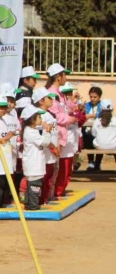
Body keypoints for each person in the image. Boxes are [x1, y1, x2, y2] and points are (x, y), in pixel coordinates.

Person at [45, 64, 77, 198]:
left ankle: (52, 194)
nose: (66, 77)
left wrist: (72, 103)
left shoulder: (59, 94)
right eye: (64, 75)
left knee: (57, 168)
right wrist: (70, 119)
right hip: (54, 135)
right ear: (58, 77)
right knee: (51, 168)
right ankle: (48, 195)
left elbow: (64, 110)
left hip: (61, 135)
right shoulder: (51, 94)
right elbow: (55, 116)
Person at [32, 87, 60, 203]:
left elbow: (54, 133)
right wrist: (53, 148)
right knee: (42, 177)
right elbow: (40, 136)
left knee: (49, 177)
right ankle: (39, 199)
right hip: (45, 152)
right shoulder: (38, 116)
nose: (51, 100)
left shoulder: (49, 115)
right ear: (41, 101)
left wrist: (57, 147)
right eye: (49, 98)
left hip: (52, 152)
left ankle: (45, 198)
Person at [21, 105, 51, 211]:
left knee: (31, 185)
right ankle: (33, 205)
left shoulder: (29, 130)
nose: (41, 119)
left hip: (32, 164)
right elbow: (44, 142)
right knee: (35, 185)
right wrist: (47, 131)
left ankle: (29, 204)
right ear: (32, 120)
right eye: (39, 117)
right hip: (34, 164)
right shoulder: (31, 132)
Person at [82, 86, 103, 171]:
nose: (93, 99)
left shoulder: (102, 105)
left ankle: (97, 164)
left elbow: (104, 114)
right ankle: (91, 162)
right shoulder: (86, 105)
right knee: (89, 144)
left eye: (95, 97)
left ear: (99, 97)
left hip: (99, 130)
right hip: (87, 130)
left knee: (100, 146)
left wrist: (91, 115)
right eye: (91, 97)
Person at [92, 99, 116, 169]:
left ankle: (96, 167)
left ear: (101, 109)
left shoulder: (97, 121)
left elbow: (93, 134)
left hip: (99, 146)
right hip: (114, 146)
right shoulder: (115, 120)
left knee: (99, 143)